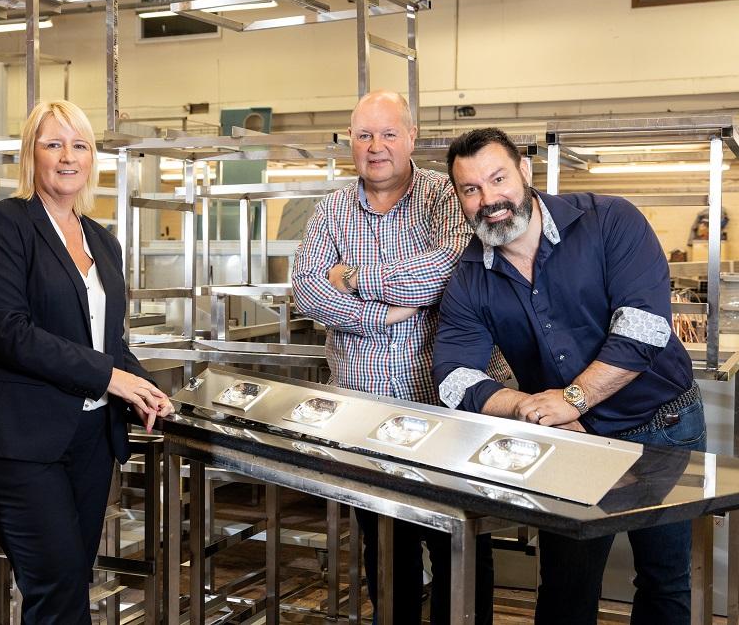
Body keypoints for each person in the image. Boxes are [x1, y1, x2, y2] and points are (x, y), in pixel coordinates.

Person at [433, 127, 706, 625]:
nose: (489, 199)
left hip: (661, 424)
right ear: (459, 199)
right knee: (565, 583)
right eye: (471, 189)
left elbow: (642, 328)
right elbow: (453, 376)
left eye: (498, 179)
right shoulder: (469, 276)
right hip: (567, 439)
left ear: (526, 173)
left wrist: (573, 398)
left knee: (664, 578)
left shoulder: (610, 220)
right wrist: (526, 406)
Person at [0, 99, 174, 624]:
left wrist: (144, 384)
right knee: (56, 586)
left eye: (80, 145)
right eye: (53, 144)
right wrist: (109, 375)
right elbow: (7, 331)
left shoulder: (102, 240)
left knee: (71, 579)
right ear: (32, 154)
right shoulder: (1, 226)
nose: (67, 157)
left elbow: (106, 342)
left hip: (90, 440)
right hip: (17, 441)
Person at [291, 89, 502, 624]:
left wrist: (357, 279)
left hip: (447, 407)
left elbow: (449, 269)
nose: (376, 146)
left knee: (459, 543)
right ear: (350, 144)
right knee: (385, 548)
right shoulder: (332, 210)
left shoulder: (446, 196)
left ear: (412, 137)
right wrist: (378, 315)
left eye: (388, 133)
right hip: (367, 416)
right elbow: (307, 289)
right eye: (364, 135)